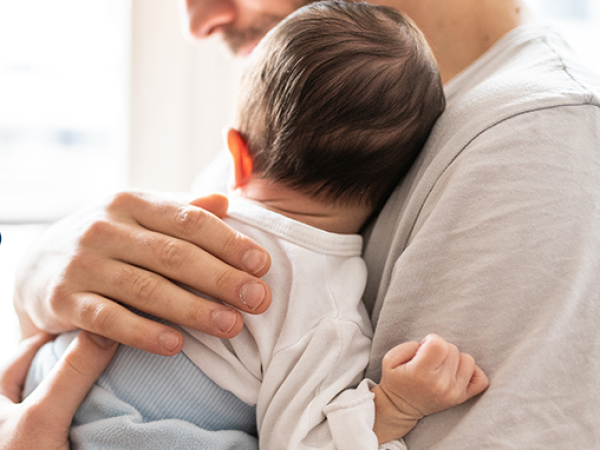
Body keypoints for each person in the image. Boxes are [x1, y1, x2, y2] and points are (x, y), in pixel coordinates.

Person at [10, 0, 600, 448]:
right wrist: (44, 269)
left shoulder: (538, 147)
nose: (199, 22)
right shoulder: (323, 118)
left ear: (239, 151)